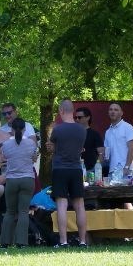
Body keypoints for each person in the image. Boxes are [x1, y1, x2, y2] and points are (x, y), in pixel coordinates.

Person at [0, 117, 37, 248]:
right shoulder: (31, 144)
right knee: (23, 212)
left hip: (12, 180)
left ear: (11, 129)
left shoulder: (5, 145)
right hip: (28, 179)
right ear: (25, 129)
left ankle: (5, 242)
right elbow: (34, 158)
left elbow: (4, 159)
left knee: (10, 212)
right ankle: (21, 242)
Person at [49, 100, 88, 248]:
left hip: (60, 169)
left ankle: (63, 241)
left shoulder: (57, 130)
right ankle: (83, 241)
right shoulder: (82, 130)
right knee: (79, 205)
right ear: (73, 111)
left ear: (61, 111)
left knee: (61, 205)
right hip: (76, 169)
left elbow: (52, 148)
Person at [102, 102, 133, 207]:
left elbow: (132, 148)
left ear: (121, 113)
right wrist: (102, 157)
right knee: (115, 201)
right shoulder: (108, 132)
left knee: (126, 199)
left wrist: (126, 166)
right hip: (112, 171)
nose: (113, 111)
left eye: (116, 109)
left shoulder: (127, 127)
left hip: (125, 170)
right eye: (111, 109)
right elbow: (107, 153)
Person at [75, 107, 101, 173]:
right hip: (74, 170)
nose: (77, 119)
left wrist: (96, 169)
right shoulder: (72, 134)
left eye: (80, 117)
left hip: (90, 170)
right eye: (76, 117)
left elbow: (101, 153)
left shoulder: (95, 134)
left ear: (88, 118)